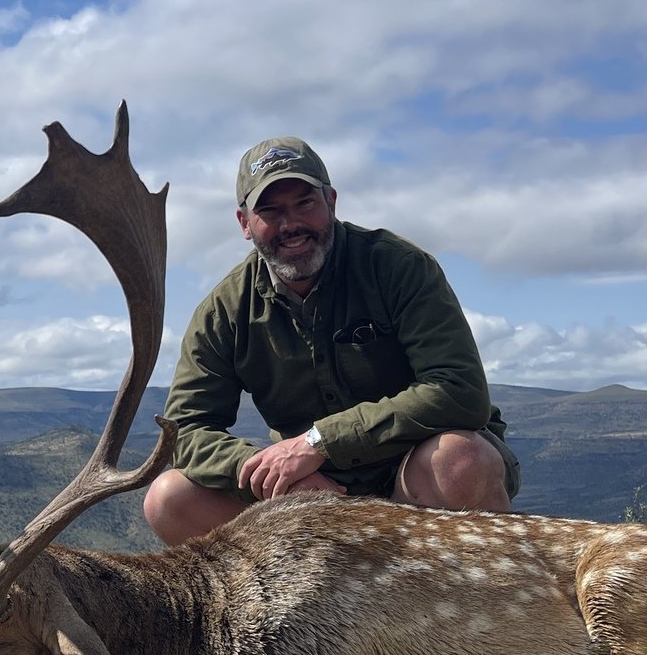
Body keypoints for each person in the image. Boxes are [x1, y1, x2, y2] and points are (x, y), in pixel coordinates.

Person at [144, 136, 521, 545]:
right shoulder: (224, 310)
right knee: (169, 500)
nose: (291, 225)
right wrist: (271, 471)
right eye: (270, 211)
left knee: (461, 460)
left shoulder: (399, 268)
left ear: (332, 202)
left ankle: (470, 603)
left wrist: (319, 443)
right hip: (308, 491)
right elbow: (187, 430)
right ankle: (293, 607)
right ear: (245, 224)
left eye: (305, 203)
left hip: (415, 479)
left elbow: (459, 391)